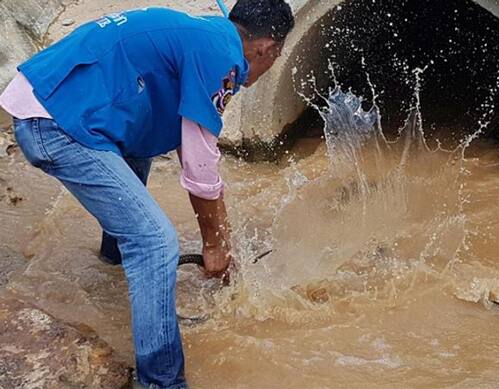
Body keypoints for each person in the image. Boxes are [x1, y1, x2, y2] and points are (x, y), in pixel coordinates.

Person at [0, 1, 294, 387]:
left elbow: (181, 126)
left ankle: (115, 260)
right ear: (267, 48)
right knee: (156, 241)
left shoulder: (207, 35)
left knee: (142, 151)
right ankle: (161, 380)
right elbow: (200, 165)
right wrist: (216, 246)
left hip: (54, 98)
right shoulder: (220, 54)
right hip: (53, 121)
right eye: (276, 56)